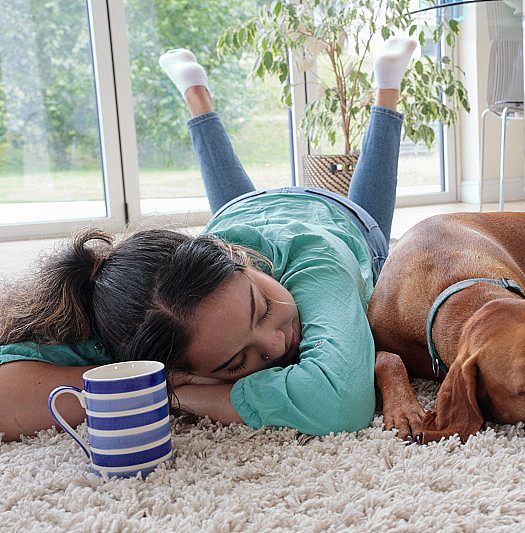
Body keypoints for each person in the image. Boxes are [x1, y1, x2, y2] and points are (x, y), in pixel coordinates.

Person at [0, 37, 423, 442]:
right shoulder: (154, 310)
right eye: (237, 363)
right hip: (239, 213)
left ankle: (388, 89)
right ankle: (196, 95)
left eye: (263, 308)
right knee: (235, 210)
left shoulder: (318, 262)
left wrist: (174, 394)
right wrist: (153, 373)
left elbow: (337, 403)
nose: (277, 344)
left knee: (375, 228)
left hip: (337, 223)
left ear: (232, 255)